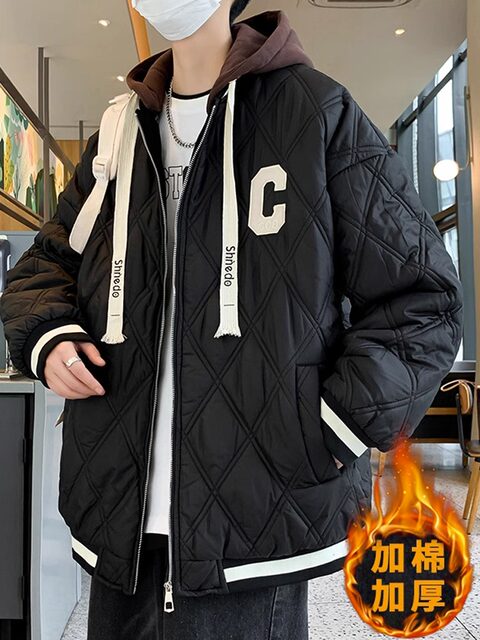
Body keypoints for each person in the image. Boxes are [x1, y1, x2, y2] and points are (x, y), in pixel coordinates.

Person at [0, 0, 463, 638]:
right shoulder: (118, 133)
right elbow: (42, 266)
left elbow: (422, 298)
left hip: (257, 520)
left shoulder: (316, 112)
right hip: (117, 520)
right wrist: (49, 338)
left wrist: (335, 427)